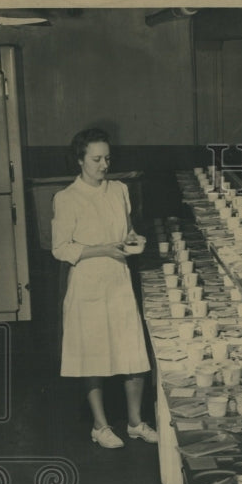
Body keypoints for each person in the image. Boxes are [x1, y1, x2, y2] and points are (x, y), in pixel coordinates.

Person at [52, 128, 157, 448]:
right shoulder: (67, 198)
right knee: (92, 357)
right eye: (96, 159)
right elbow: (61, 248)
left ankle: (136, 423)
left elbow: (127, 231)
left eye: (107, 158)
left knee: (133, 355)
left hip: (119, 280)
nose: (103, 165)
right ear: (80, 160)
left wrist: (134, 241)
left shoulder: (119, 190)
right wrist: (103, 250)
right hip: (88, 284)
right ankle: (100, 426)